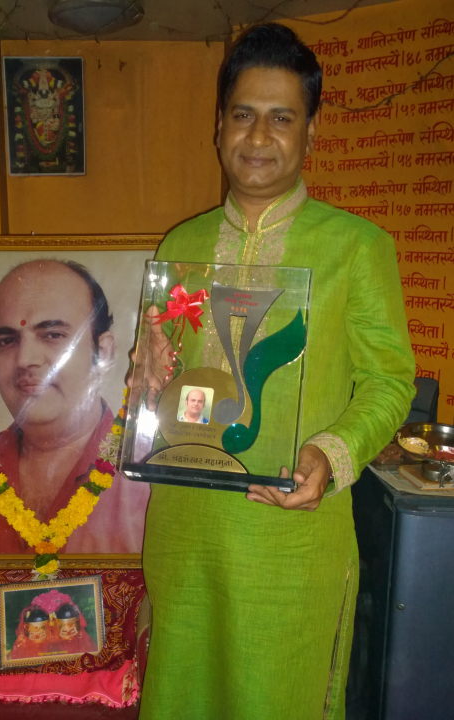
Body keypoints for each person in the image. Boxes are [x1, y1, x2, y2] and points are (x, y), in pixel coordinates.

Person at [138, 23, 415, 720]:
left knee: (278, 698)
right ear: (218, 126)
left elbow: (389, 382)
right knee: (182, 694)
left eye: (281, 118)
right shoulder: (181, 245)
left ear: (310, 132)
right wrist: (145, 370)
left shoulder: (356, 247)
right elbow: (164, 381)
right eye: (242, 114)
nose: (258, 136)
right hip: (185, 533)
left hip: (291, 539)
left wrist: (331, 453)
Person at [0, 259, 150, 555]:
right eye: (7, 340)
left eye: (52, 335)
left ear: (103, 352)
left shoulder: (147, 477)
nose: (25, 359)